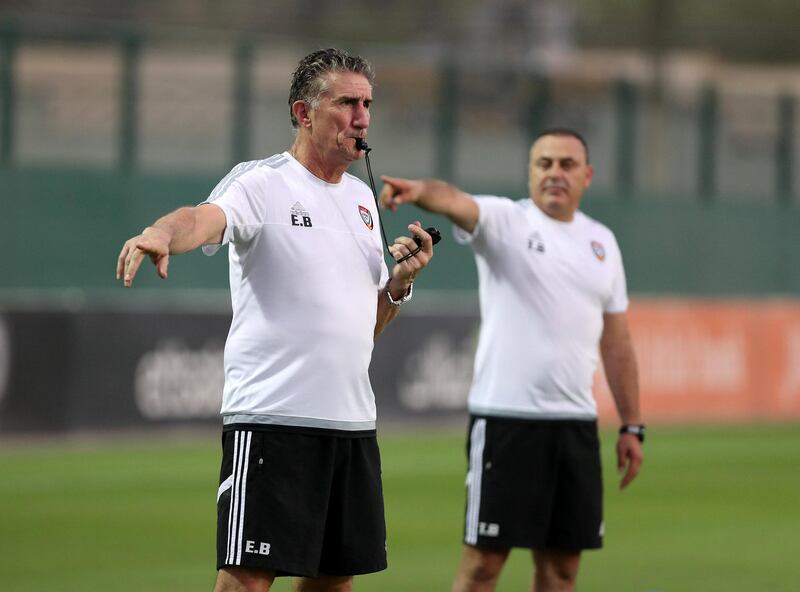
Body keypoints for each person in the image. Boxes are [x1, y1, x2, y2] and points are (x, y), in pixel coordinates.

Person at [116, 48, 434, 592]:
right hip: (273, 424)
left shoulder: (362, 200)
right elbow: (202, 219)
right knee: (245, 581)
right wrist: (162, 234)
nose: (361, 118)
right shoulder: (262, 183)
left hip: (351, 426)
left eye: (367, 105)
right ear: (303, 113)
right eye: (346, 104)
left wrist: (399, 286)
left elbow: (366, 327)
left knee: (334, 583)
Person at [379, 128, 643, 592]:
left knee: (562, 571)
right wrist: (421, 192)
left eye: (566, 164)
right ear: (529, 172)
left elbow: (617, 342)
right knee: (482, 567)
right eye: (544, 163)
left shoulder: (603, 243)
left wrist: (632, 424)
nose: (555, 173)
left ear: (587, 175)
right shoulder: (508, 221)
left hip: (575, 425)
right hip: (506, 422)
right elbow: (454, 200)